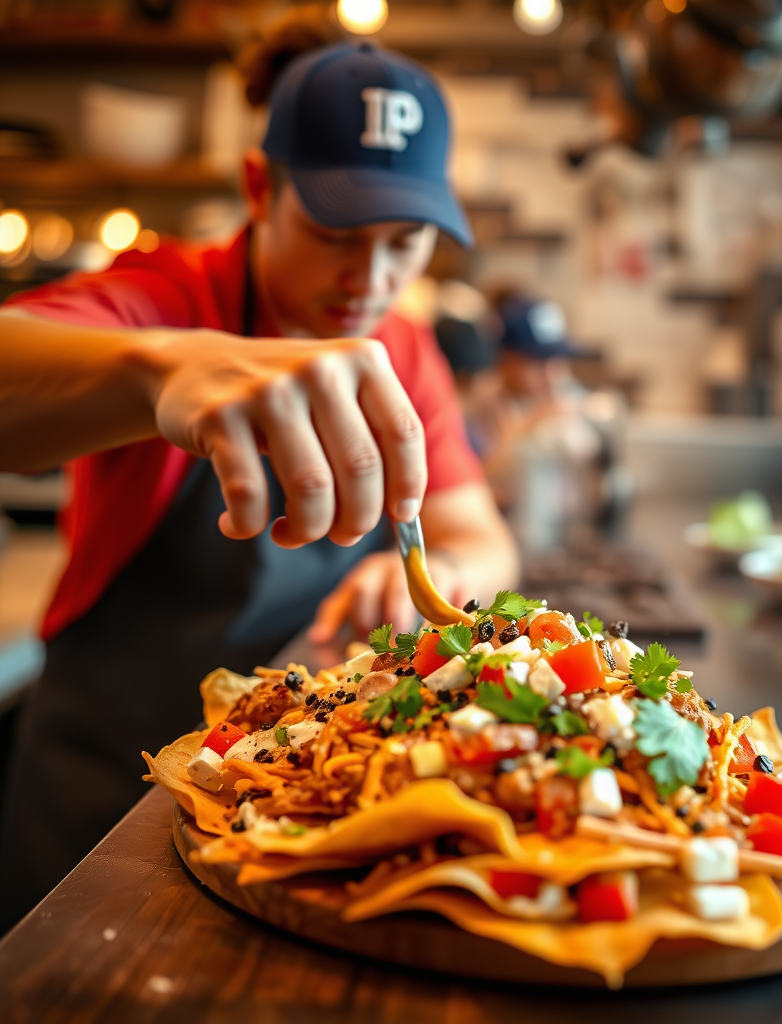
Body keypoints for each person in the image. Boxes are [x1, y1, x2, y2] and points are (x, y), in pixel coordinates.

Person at [0, 37, 516, 929]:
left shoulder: (401, 349)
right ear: (258, 189)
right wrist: (160, 370)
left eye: (405, 241)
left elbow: (482, 537)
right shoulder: (170, 296)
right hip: (104, 795)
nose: (371, 278)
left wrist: (429, 577)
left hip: (288, 806)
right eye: (335, 234)